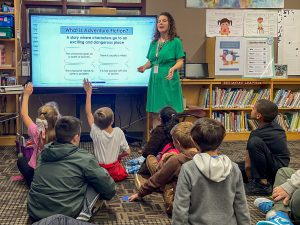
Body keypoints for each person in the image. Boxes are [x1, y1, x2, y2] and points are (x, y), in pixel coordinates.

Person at [27, 116, 116, 222]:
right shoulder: (85, 159)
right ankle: (83, 215)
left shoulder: (43, 154)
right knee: (100, 175)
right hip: (66, 215)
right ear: (76, 137)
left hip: (35, 212)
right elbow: (109, 189)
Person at [172, 118, 250, 225]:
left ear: (193, 141)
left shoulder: (188, 169)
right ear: (222, 140)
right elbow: (241, 205)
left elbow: (180, 208)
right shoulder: (234, 168)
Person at [129, 121, 197, 215]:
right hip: (200, 205)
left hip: (178, 207)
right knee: (161, 161)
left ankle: (145, 182)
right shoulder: (205, 155)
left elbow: (158, 179)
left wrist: (139, 194)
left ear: (177, 142)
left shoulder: (176, 160)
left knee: (160, 170)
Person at [137, 12, 185, 127]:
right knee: (155, 113)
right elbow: (152, 61)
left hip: (168, 79)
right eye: (159, 21)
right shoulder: (154, 43)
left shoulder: (176, 42)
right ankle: (158, 139)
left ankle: (170, 141)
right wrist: (144, 67)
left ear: (170, 24)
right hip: (156, 81)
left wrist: (173, 68)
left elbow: (180, 61)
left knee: (170, 114)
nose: (160, 23)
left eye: (164, 21)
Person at [83, 79, 131, 181]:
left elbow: (88, 114)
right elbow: (128, 152)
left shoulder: (96, 132)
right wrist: (119, 156)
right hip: (114, 172)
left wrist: (88, 93)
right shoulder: (118, 131)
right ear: (112, 121)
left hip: (100, 172)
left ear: (96, 122)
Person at [17, 82, 61, 187]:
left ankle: (34, 184)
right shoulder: (60, 132)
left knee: (21, 160)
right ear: (56, 118)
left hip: (37, 173)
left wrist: (26, 95)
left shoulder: (35, 130)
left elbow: (24, 114)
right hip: (55, 175)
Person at [242, 99, 290, 196]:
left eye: (253, 108)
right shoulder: (277, 127)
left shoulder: (256, 134)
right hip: (280, 167)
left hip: (274, 170)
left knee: (254, 142)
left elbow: (248, 165)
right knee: (236, 167)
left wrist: (250, 180)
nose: (251, 109)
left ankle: (261, 185)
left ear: (258, 115)